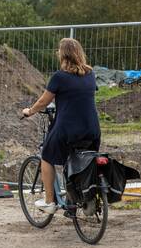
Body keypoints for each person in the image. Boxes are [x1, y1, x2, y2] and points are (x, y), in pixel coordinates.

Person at [21, 38, 101, 214]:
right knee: (75, 159)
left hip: (68, 129)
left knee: (47, 156)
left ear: (63, 54)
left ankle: (50, 202)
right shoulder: (90, 74)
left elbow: (44, 101)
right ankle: (74, 203)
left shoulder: (59, 77)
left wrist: (30, 111)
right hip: (92, 130)